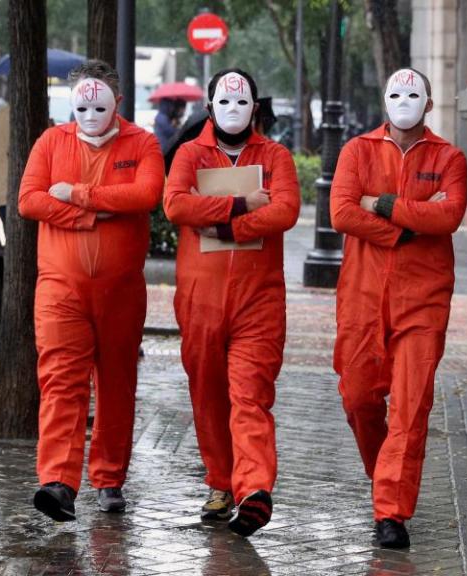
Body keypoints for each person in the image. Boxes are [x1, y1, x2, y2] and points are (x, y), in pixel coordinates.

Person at [18, 59, 165, 521]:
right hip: (61, 290)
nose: (89, 112)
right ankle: (59, 482)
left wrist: (79, 194)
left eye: (98, 102)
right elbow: (29, 200)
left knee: (117, 383)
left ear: (116, 102)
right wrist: (90, 216)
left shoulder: (142, 143)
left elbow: (145, 195)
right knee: (62, 381)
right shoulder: (50, 142)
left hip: (121, 292)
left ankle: (109, 477)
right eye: (81, 103)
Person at [330, 68, 467, 548]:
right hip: (362, 299)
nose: (404, 100)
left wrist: (383, 204)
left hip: (423, 300)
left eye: (414, 94)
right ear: (383, 99)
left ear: (429, 104)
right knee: (358, 398)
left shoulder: (449, 157)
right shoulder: (357, 150)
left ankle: (391, 511)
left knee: (411, 406)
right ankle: (384, 476)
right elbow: (342, 212)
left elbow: (449, 215)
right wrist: (408, 225)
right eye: (395, 93)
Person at [163, 68, 300, 537]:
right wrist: (243, 205)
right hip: (200, 299)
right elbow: (177, 205)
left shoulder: (276, 156)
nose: (233, 111)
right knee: (207, 395)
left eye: (243, 103)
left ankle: (254, 490)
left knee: (250, 396)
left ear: (256, 108)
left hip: (258, 301)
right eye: (224, 102)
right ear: (209, 108)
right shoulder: (188, 154)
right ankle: (222, 483)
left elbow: (285, 210)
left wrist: (220, 226)